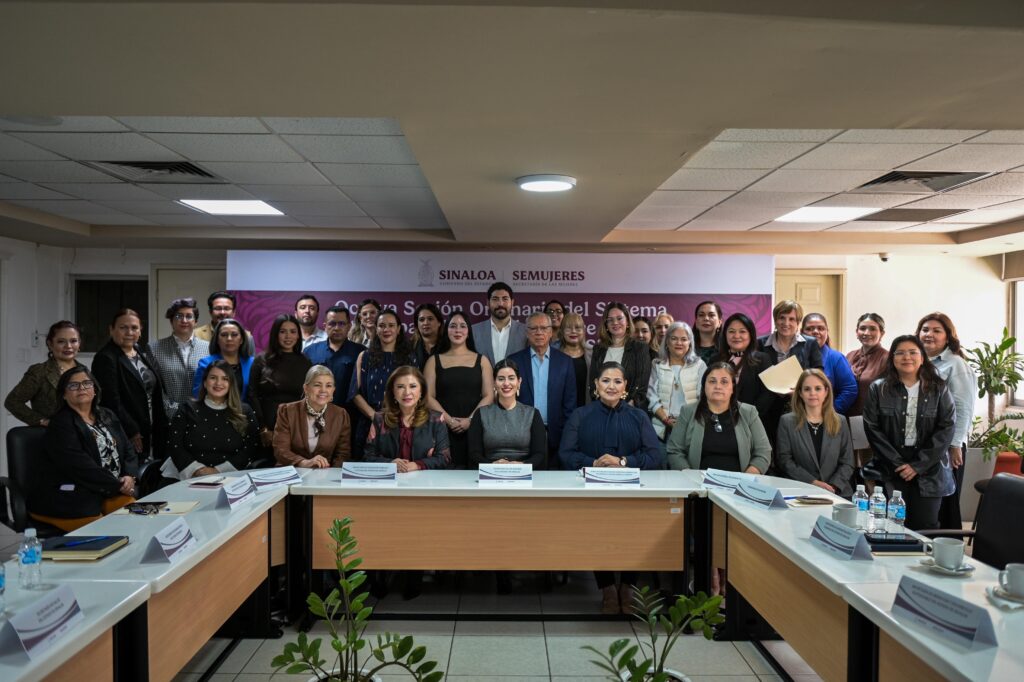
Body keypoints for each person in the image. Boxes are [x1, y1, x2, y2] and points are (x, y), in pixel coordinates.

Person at [559, 362, 663, 613]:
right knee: (598, 532)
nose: (611, 386)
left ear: (625, 386)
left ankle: (627, 586)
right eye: (606, 380)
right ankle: (607, 587)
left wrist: (623, 462)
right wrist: (593, 463)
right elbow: (566, 453)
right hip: (592, 492)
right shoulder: (581, 415)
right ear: (596, 385)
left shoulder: (639, 417)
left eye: (617, 381)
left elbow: (655, 456)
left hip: (632, 493)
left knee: (635, 532)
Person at [862, 335, 955, 531]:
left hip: (930, 468)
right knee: (887, 526)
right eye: (900, 353)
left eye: (913, 352)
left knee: (925, 526)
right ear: (892, 358)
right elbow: (872, 428)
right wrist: (897, 463)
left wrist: (918, 465)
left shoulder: (939, 388)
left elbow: (946, 427)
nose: (907, 357)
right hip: (889, 466)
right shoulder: (878, 389)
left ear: (922, 358)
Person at [30, 367, 137, 531]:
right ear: (64, 394)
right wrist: (118, 485)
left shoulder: (107, 415)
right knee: (105, 532)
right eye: (73, 385)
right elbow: (80, 466)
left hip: (107, 490)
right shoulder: (60, 424)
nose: (81, 388)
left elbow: (128, 449)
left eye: (87, 383)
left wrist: (129, 476)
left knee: (135, 519)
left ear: (94, 390)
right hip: (70, 497)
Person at [917, 312, 977, 530]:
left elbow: (963, 407)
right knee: (925, 504)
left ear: (948, 336)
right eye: (925, 330)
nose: (929, 334)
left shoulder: (955, 364)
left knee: (945, 504)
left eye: (936, 330)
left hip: (947, 445)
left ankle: (948, 546)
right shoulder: (918, 361)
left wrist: (955, 444)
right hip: (924, 443)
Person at [666, 362, 772, 474]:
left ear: (733, 387)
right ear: (704, 385)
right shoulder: (687, 412)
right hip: (697, 481)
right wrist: (689, 475)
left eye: (724, 382)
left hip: (740, 481)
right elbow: (675, 451)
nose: (718, 386)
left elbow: (763, 452)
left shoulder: (749, 413)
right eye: (712, 381)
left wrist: (747, 478)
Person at [92, 308, 166, 462]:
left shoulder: (138, 351)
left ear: (140, 331)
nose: (129, 332)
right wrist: (131, 430)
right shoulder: (105, 358)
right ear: (111, 330)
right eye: (123, 327)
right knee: (134, 470)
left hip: (150, 425)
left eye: (134, 328)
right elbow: (110, 400)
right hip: (128, 430)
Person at [165, 360, 260, 479]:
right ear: (205, 382)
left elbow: (251, 447)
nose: (218, 383)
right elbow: (175, 445)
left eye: (225, 379)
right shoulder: (187, 409)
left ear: (231, 383)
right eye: (213, 378)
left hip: (231, 477)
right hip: (185, 476)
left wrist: (218, 471)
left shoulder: (245, 411)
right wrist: (196, 470)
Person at [424, 310, 493, 468]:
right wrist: (449, 420)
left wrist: (470, 420)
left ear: (468, 332)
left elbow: (489, 396)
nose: (457, 330)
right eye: (453, 326)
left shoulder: (482, 360)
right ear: (446, 330)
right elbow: (428, 397)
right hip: (442, 429)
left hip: (475, 428)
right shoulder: (433, 360)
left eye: (462, 326)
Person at [507, 312, 576, 464]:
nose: (539, 332)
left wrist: (566, 434)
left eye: (544, 328)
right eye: (534, 328)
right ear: (527, 332)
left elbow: (569, 403)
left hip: (556, 435)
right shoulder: (514, 361)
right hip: (521, 434)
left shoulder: (565, 362)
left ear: (551, 332)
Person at [776, 369, 855, 497]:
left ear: (826, 392)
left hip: (837, 492)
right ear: (800, 393)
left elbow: (848, 462)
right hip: (801, 492)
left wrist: (832, 487)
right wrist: (813, 483)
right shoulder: (786, 421)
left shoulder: (840, 421)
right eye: (807, 389)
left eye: (818, 388)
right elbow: (784, 461)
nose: (812, 393)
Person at [348, 309, 416, 457]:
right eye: (382, 325)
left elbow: (417, 392)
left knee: (402, 468)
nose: (386, 329)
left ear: (398, 329)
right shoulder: (364, 356)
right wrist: (375, 417)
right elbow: (354, 393)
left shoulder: (410, 358)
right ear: (376, 329)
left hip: (402, 424)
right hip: (369, 422)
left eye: (391, 325)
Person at [364, 366, 451, 470]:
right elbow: (368, 457)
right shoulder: (380, 419)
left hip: (424, 478)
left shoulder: (436, 419)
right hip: (391, 478)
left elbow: (444, 458)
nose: (407, 392)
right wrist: (390, 463)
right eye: (400, 387)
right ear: (393, 391)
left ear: (421, 391)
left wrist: (417, 465)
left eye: (413, 386)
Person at [468, 359, 547, 466]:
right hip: (490, 471)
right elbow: (474, 453)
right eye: (501, 379)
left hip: (524, 470)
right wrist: (492, 465)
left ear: (519, 382)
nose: (506, 383)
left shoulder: (533, 414)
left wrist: (522, 465)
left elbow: (540, 453)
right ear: (494, 383)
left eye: (511, 378)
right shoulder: (481, 414)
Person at [5, 320, 85, 426]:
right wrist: (42, 421)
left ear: (79, 344)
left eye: (73, 341)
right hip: (52, 432)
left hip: (82, 430)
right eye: (61, 341)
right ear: (50, 344)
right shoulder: (39, 371)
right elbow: (12, 402)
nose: (68, 346)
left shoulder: (84, 371)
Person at [249, 314, 312, 448]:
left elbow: (308, 399)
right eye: (283, 331)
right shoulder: (261, 360)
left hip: (296, 428)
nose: (288, 336)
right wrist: (263, 428)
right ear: (275, 334)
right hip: (267, 428)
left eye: (293, 331)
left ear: (298, 335)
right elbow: (252, 395)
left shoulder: (306, 363)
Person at [716, 313, 780, 442]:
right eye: (731, 331)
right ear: (725, 335)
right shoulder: (715, 360)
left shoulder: (762, 359)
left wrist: (747, 417)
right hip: (721, 424)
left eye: (742, 331)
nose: (736, 336)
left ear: (750, 334)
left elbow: (767, 394)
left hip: (753, 424)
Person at [273, 365, 351, 468]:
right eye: (317, 385)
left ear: (333, 390)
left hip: (325, 473)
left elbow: (343, 454)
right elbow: (280, 450)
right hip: (292, 470)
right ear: (306, 388)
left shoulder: (340, 414)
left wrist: (332, 473)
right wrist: (303, 463)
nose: (323, 390)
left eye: (328, 386)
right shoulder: (287, 411)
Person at [149, 298, 210, 419]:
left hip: (202, 414)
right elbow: (155, 387)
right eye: (179, 316)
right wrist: (172, 410)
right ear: (171, 321)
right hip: (168, 416)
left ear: (195, 321)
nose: (184, 320)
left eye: (189, 316)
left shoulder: (208, 348)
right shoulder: (154, 348)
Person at [648, 322, 706, 442]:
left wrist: (685, 421)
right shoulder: (657, 364)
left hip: (691, 428)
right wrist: (665, 419)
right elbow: (651, 395)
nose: (679, 343)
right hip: (660, 430)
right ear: (667, 342)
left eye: (684, 339)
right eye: (674, 338)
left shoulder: (700, 365)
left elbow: (703, 397)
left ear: (690, 343)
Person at [589, 302, 652, 411]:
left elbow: (641, 386)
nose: (615, 323)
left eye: (619, 318)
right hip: (601, 410)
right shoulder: (598, 349)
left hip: (629, 411)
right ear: (606, 325)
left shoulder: (640, 348)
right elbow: (593, 383)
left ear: (627, 322)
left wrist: (624, 408)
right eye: (610, 320)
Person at [303, 305, 365, 412]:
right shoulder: (310, 351)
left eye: (341, 324)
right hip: (316, 412)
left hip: (350, 414)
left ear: (349, 326)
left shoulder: (361, 352)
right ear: (325, 326)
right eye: (332, 324)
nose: (337, 328)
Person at [800, 313, 858, 415]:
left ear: (827, 332)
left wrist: (829, 412)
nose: (815, 332)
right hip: (797, 415)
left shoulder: (836, 358)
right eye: (809, 329)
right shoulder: (794, 356)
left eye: (821, 328)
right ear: (801, 333)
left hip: (827, 417)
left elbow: (849, 390)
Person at [193, 319, 255, 402]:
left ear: (241, 340)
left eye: (234, 335)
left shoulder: (252, 363)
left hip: (245, 409)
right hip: (213, 409)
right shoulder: (206, 363)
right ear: (217, 340)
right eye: (224, 335)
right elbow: (198, 395)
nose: (229, 338)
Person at [471, 281, 528, 366]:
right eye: (495, 299)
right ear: (488, 303)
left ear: (512, 302)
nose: (500, 304)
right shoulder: (474, 331)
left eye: (505, 299)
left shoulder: (525, 331)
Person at [757, 300, 823, 370]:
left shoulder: (811, 343)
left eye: (791, 319)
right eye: (782, 318)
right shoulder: (759, 343)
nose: (786, 323)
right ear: (775, 320)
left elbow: (818, 371)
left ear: (798, 322)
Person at [846, 313, 889, 419]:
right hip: (846, 416)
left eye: (872, 329)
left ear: (882, 333)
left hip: (873, 419)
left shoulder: (888, 358)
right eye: (862, 328)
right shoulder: (850, 355)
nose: (866, 333)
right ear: (857, 332)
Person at [194, 290, 254, 354]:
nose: (222, 312)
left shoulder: (246, 336)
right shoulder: (196, 335)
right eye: (218, 308)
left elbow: (249, 358)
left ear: (234, 312)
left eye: (227, 308)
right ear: (210, 312)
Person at [557, 311, 591, 409]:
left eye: (577, 328)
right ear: (562, 331)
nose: (573, 331)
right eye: (568, 328)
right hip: (561, 411)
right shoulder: (554, 355)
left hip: (587, 409)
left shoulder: (593, 354)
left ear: (583, 331)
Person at [411, 303, 443, 369]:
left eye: (430, 319)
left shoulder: (448, 346)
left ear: (439, 322)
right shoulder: (409, 347)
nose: (425, 323)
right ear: (417, 324)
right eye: (421, 320)